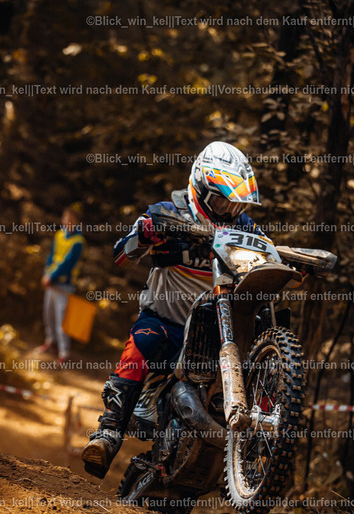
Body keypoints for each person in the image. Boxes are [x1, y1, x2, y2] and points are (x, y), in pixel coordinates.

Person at [82, 141, 266, 479]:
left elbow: (269, 256)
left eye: (236, 204)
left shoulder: (246, 228)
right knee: (142, 342)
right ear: (201, 189)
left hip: (214, 336)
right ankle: (108, 434)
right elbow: (121, 255)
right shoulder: (169, 212)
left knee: (260, 330)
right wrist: (145, 233)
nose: (228, 210)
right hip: (165, 324)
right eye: (221, 201)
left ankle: (256, 452)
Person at [37, 206, 84, 364]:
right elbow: (52, 255)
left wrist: (52, 277)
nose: (68, 222)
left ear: (76, 222)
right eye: (66, 218)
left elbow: (68, 264)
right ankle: (51, 343)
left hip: (64, 285)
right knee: (48, 314)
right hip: (51, 282)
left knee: (61, 320)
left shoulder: (78, 242)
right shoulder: (59, 234)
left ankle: (64, 352)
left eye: (71, 219)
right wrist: (46, 274)